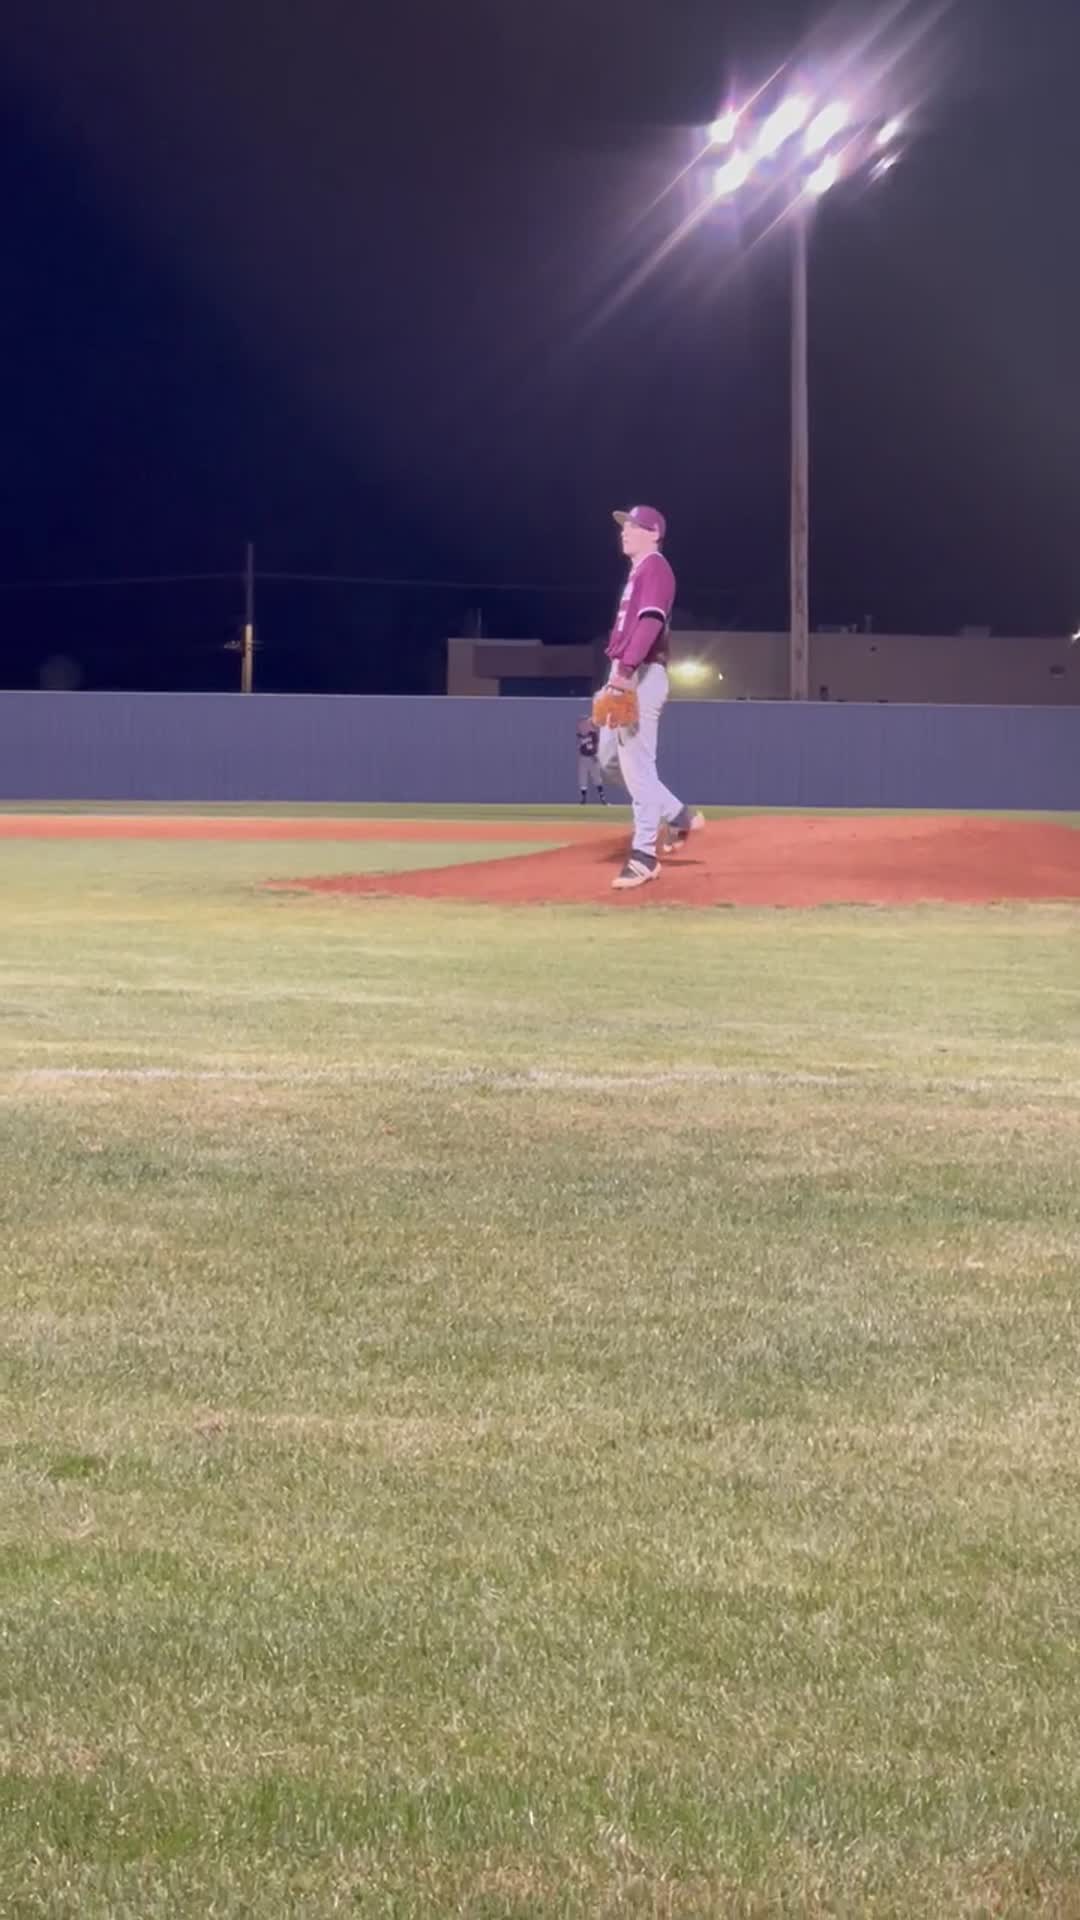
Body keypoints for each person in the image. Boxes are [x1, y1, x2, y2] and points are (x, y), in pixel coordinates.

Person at [602, 504, 703, 890]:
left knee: (637, 766)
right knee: (609, 759)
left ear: (654, 533)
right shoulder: (639, 571)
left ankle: (644, 855)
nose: (624, 531)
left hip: (640, 672)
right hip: (625, 670)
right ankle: (676, 813)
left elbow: (651, 621)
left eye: (633, 526)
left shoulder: (656, 568)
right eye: (624, 525)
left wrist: (626, 671)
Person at [575, 715, 608, 804]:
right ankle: (583, 799)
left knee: (597, 778)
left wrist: (596, 754)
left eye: (586, 723)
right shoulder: (579, 735)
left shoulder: (593, 734)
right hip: (584, 757)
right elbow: (579, 745)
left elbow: (596, 745)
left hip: (593, 757)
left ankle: (602, 798)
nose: (584, 725)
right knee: (583, 778)